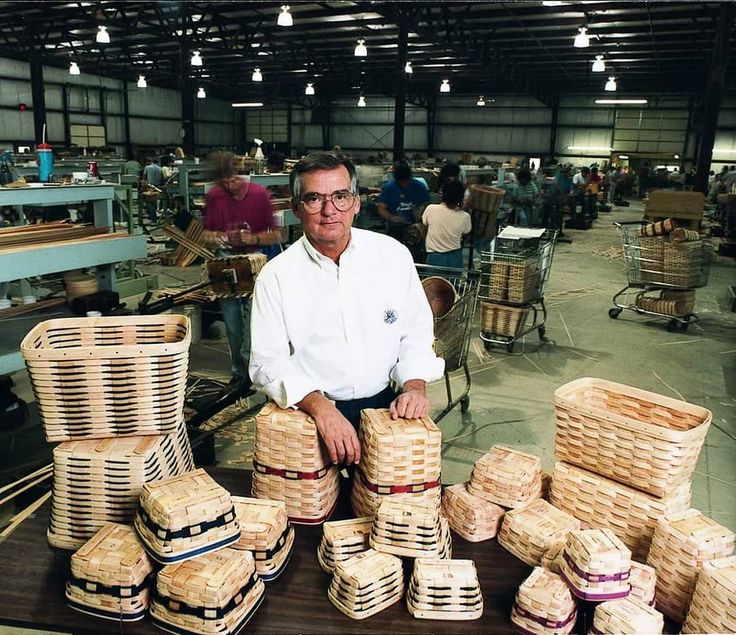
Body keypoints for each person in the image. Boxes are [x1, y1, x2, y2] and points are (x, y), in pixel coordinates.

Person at [249, 152, 444, 466]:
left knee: (387, 505)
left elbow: (416, 332)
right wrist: (322, 409)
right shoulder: (277, 277)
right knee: (313, 509)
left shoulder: (392, 257)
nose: (329, 211)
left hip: (386, 407)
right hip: (310, 413)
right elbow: (266, 363)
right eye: (314, 198)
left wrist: (415, 386)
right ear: (296, 207)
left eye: (340, 196)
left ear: (356, 202)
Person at [202, 151, 283, 389]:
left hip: (255, 259)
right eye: (224, 182)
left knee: (253, 321)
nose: (230, 186)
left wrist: (254, 238)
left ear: (242, 173)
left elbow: (278, 234)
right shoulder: (216, 196)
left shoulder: (259, 195)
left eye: (233, 179)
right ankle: (239, 373)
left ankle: (252, 372)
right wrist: (218, 237)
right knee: (232, 322)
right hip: (226, 260)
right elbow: (206, 234)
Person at [376, 161, 431, 260]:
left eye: (406, 181)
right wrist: (392, 218)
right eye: (401, 182)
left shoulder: (419, 186)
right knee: (393, 257)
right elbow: (381, 208)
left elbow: (427, 204)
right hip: (395, 228)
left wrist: (420, 211)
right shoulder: (389, 188)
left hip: (415, 228)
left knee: (415, 257)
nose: (403, 184)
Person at [422, 180, 472, 269]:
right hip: (455, 257)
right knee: (453, 282)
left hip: (435, 257)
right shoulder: (465, 216)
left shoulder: (431, 209)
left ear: (443, 194)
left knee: (434, 282)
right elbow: (466, 231)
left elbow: (424, 223)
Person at [141, 157, 164, 222]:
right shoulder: (160, 168)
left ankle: (152, 217)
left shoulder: (147, 167)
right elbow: (162, 178)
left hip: (150, 186)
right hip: (158, 186)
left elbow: (144, 178)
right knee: (155, 201)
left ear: (147, 162)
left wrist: (142, 187)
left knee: (149, 202)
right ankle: (154, 215)